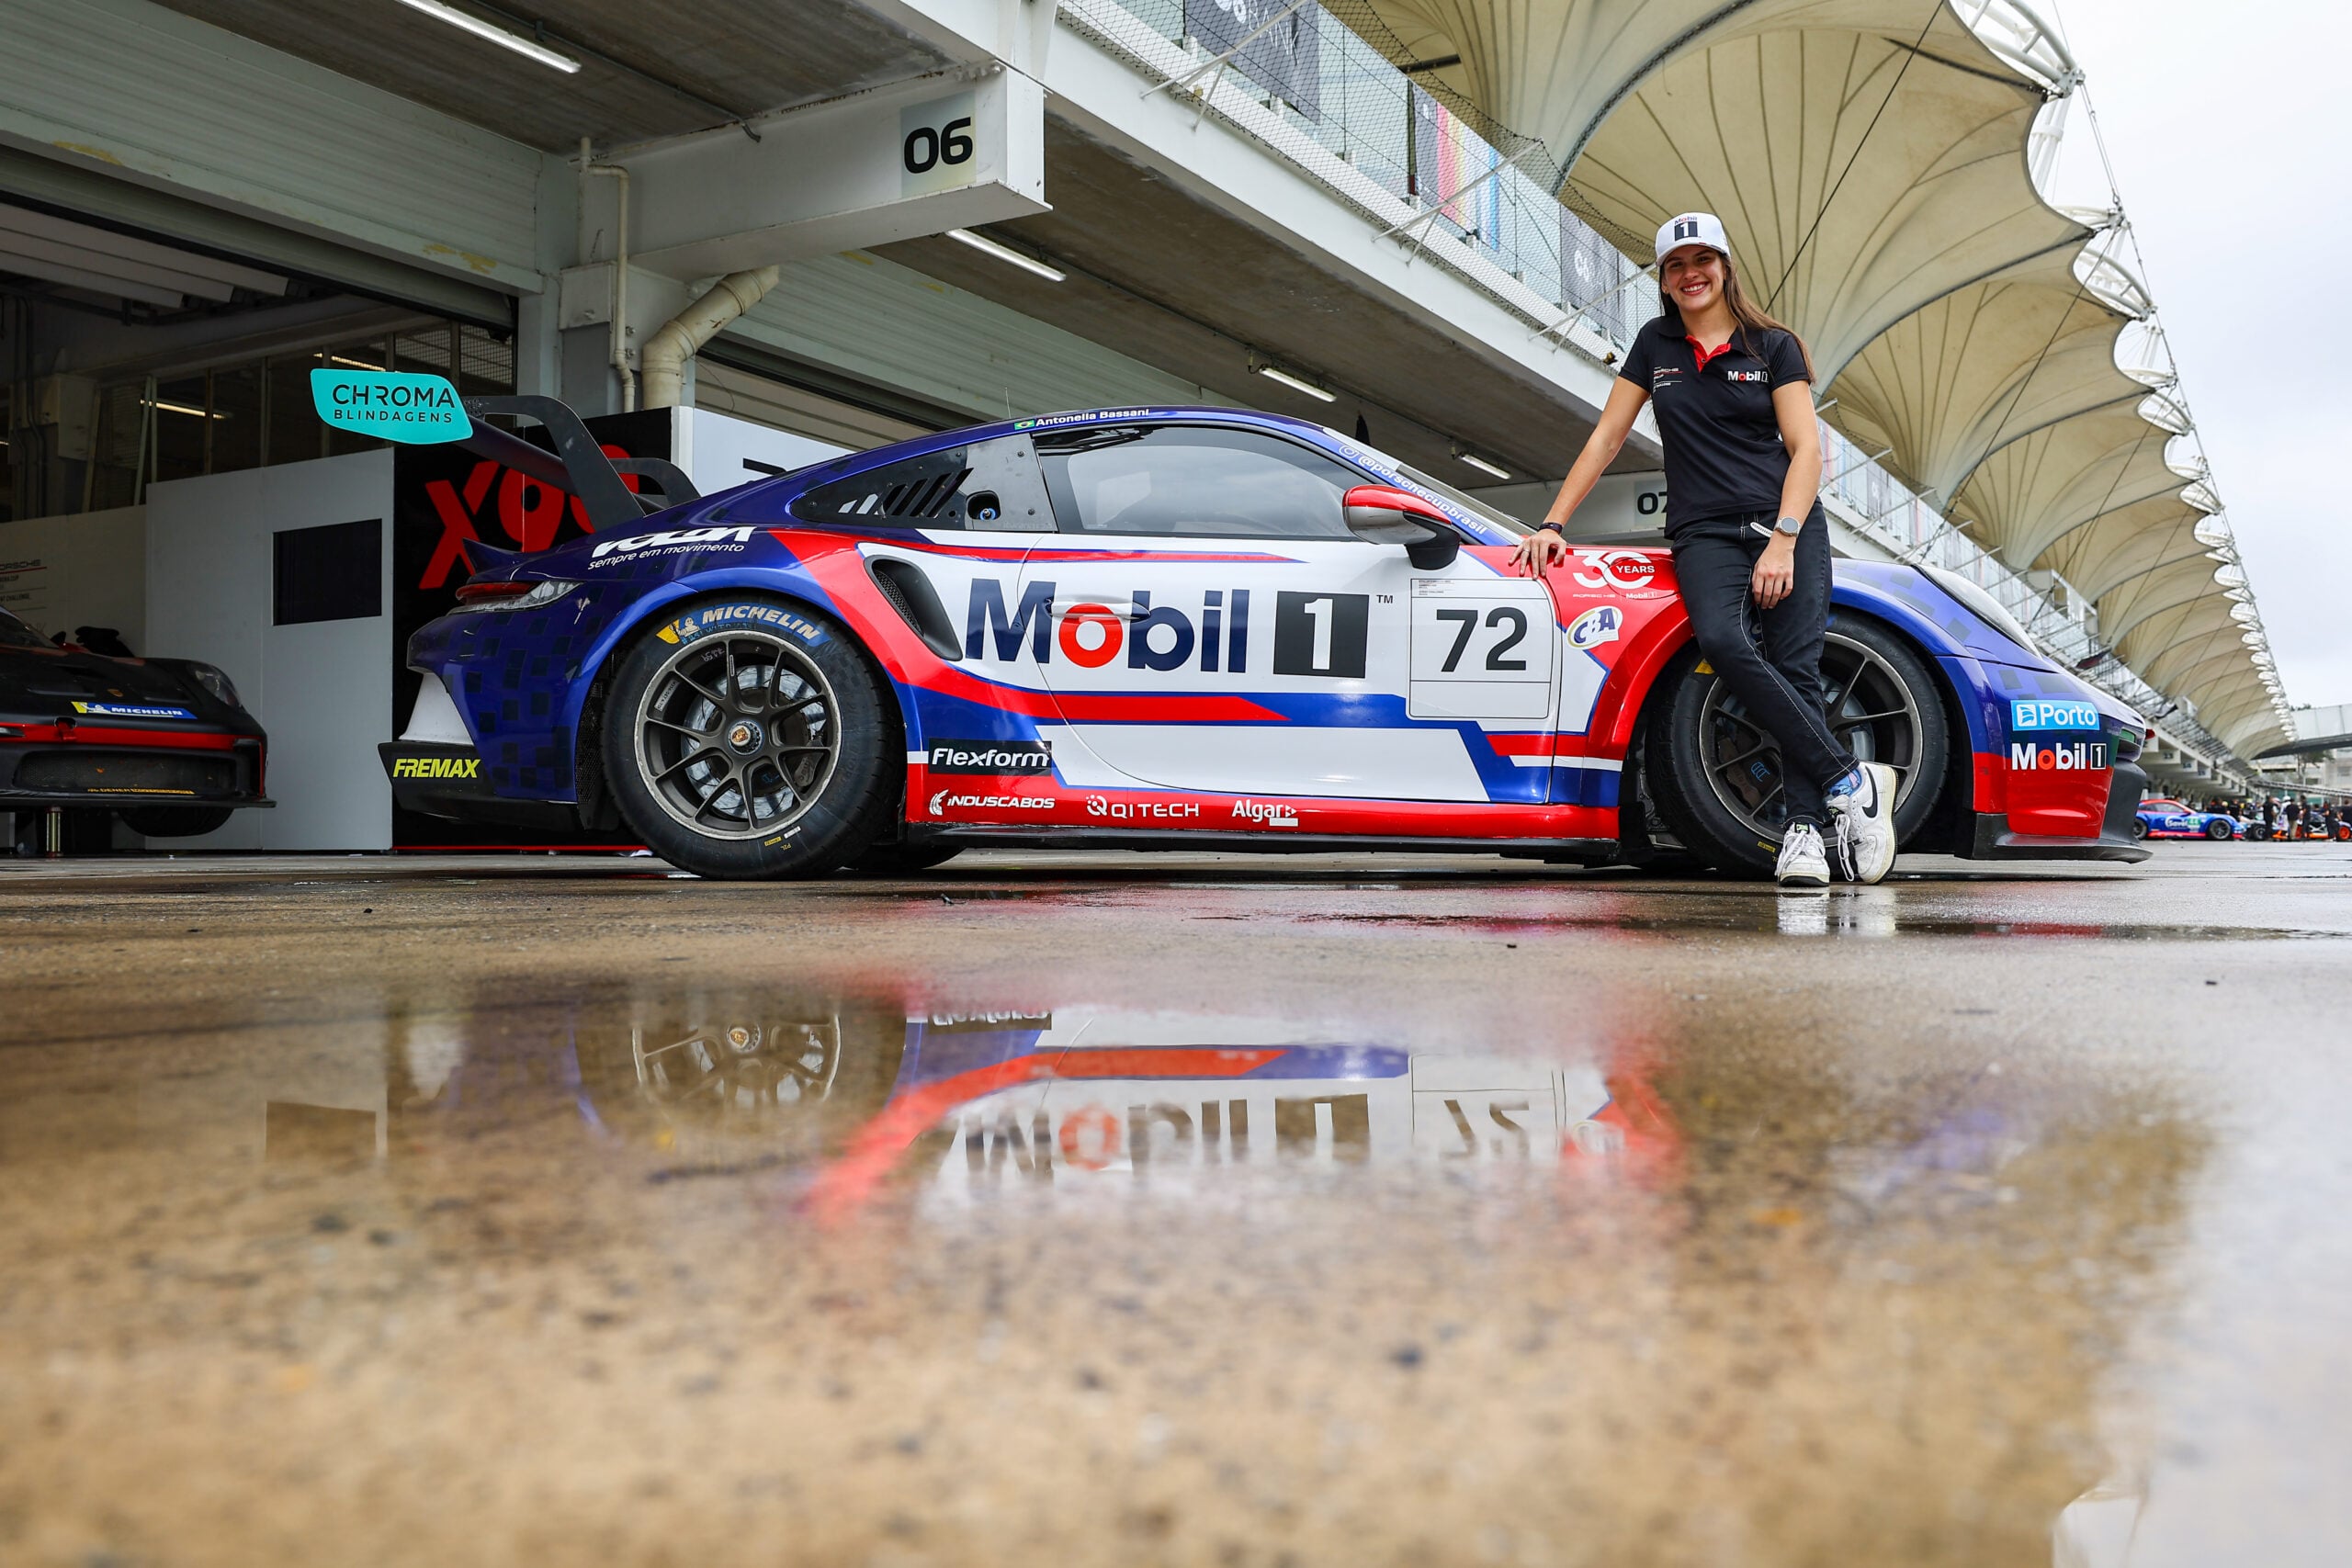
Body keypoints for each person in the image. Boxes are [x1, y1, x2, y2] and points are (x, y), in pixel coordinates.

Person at [1513, 211, 1896, 889]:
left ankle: (1805, 833)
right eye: (1675, 265)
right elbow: (1606, 437)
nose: (1691, 274)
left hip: (1788, 525)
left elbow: (1808, 449)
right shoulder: (1653, 345)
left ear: (1724, 267)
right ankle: (1850, 780)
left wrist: (1782, 538)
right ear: (1664, 279)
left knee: (1797, 670)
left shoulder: (1772, 344)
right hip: (1706, 531)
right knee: (1723, 642)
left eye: (1702, 260)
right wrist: (1553, 522)